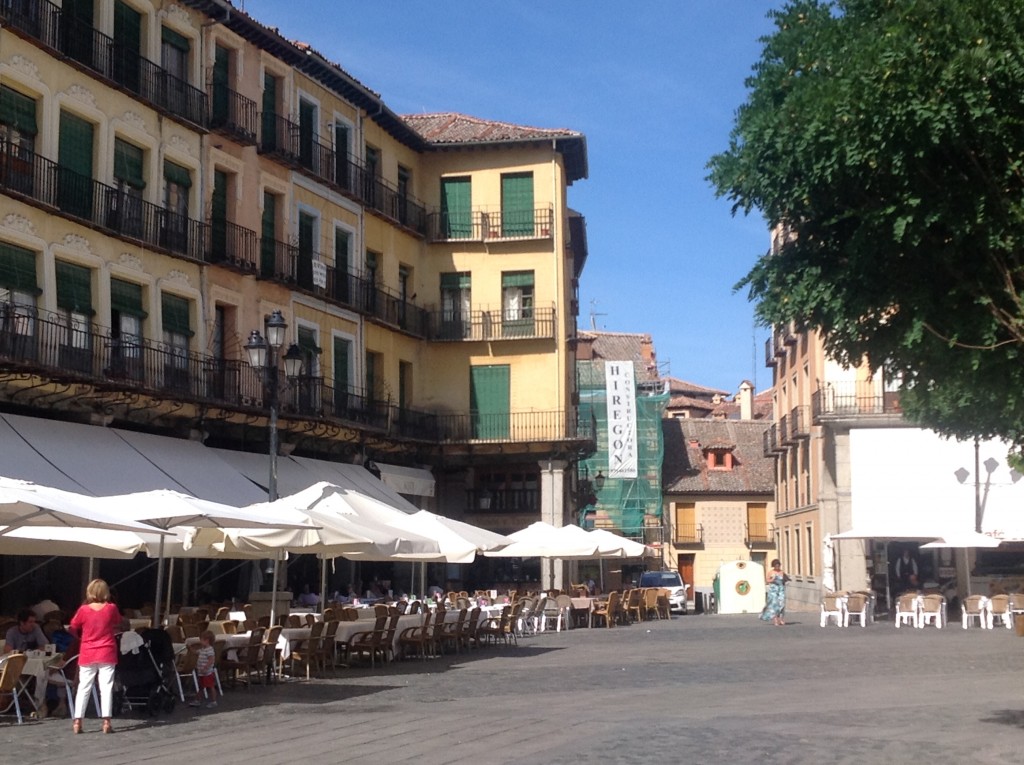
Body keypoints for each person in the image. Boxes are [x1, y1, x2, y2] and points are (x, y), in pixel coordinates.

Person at [68, 578, 121, 734]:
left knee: (84, 686)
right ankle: (106, 721)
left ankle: (78, 721)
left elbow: (72, 627)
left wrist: (81, 637)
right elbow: (118, 622)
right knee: (106, 686)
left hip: (87, 651)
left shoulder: (83, 610)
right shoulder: (111, 608)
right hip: (107, 650)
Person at [189, 631, 218, 710]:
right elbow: (196, 652)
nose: (200, 642)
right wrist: (190, 648)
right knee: (201, 687)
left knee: (211, 686)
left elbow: (211, 660)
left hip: (207, 672)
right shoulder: (202, 649)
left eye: (201, 640)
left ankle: (214, 701)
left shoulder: (209, 650)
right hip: (202, 672)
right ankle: (198, 699)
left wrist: (206, 667)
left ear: (207, 640)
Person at [760, 559, 790, 627]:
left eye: (778, 566)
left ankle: (781, 618)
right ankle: (775, 620)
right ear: (773, 566)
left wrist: (786, 582)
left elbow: (785, 579)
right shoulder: (770, 572)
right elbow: (767, 580)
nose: (777, 567)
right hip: (773, 590)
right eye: (776, 566)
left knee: (781, 604)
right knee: (774, 605)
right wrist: (772, 579)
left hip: (781, 590)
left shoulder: (782, 572)